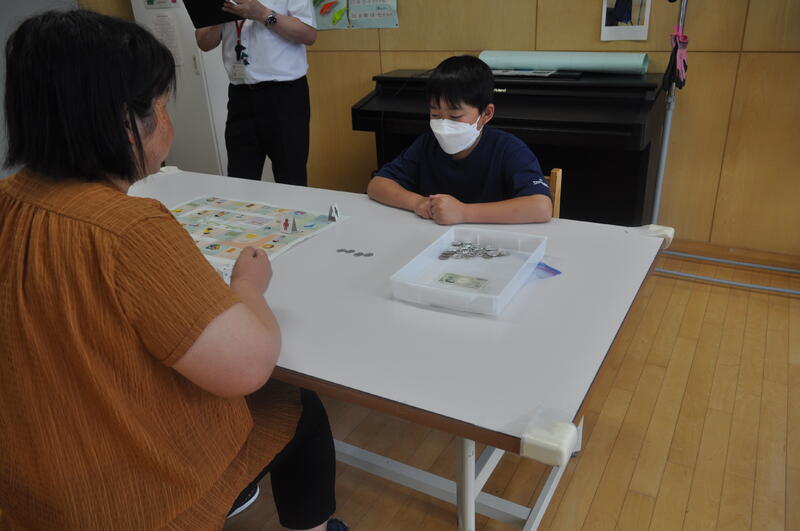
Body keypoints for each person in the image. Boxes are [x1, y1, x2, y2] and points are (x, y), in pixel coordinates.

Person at [0, 10, 343, 531]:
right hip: (132, 499)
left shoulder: (9, 199)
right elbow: (249, 365)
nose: (168, 122)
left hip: (29, 480)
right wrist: (248, 287)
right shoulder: (130, 230)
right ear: (126, 123)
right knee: (299, 407)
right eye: (162, 107)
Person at [367, 55, 553, 225]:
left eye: (455, 116)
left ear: (486, 114)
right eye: (435, 115)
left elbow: (541, 207)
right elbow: (378, 184)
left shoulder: (508, 149)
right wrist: (418, 202)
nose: (444, 125)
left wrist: (464, 212)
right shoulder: (427, 144)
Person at [195, 0, 316, 186]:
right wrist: (219, 14)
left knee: (291, 180)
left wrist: (262, 14)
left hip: (285, 95)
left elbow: (308, 34)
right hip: (240, 95)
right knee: (240, 180)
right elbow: (204, 43)